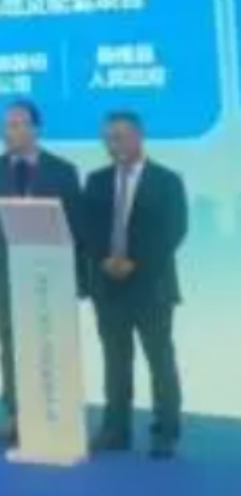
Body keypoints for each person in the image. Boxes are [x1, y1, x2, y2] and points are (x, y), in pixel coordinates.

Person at [0, 99, 83, 446]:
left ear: (35, 129)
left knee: (51, 343)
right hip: (5, 271)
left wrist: (81, 275)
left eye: (16, 125)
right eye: (5, 126)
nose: (8, 132)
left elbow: (78, 225)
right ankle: (16, 413)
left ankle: (54, 413)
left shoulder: (63, 171)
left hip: (52, 273)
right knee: (11, 343)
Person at [84, 110, 186, 460]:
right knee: (115, 360)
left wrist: (136, 263)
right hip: (108, 285)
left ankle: (165, 432)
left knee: (160, 360)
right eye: (108, 139)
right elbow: (87, 228)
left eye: (119, 137)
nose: (113, 145)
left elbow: (174, 230)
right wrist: (104, 259)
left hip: (152, 285)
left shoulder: (167, 181)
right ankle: (115, 430)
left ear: (139, 136)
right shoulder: (96, 180)